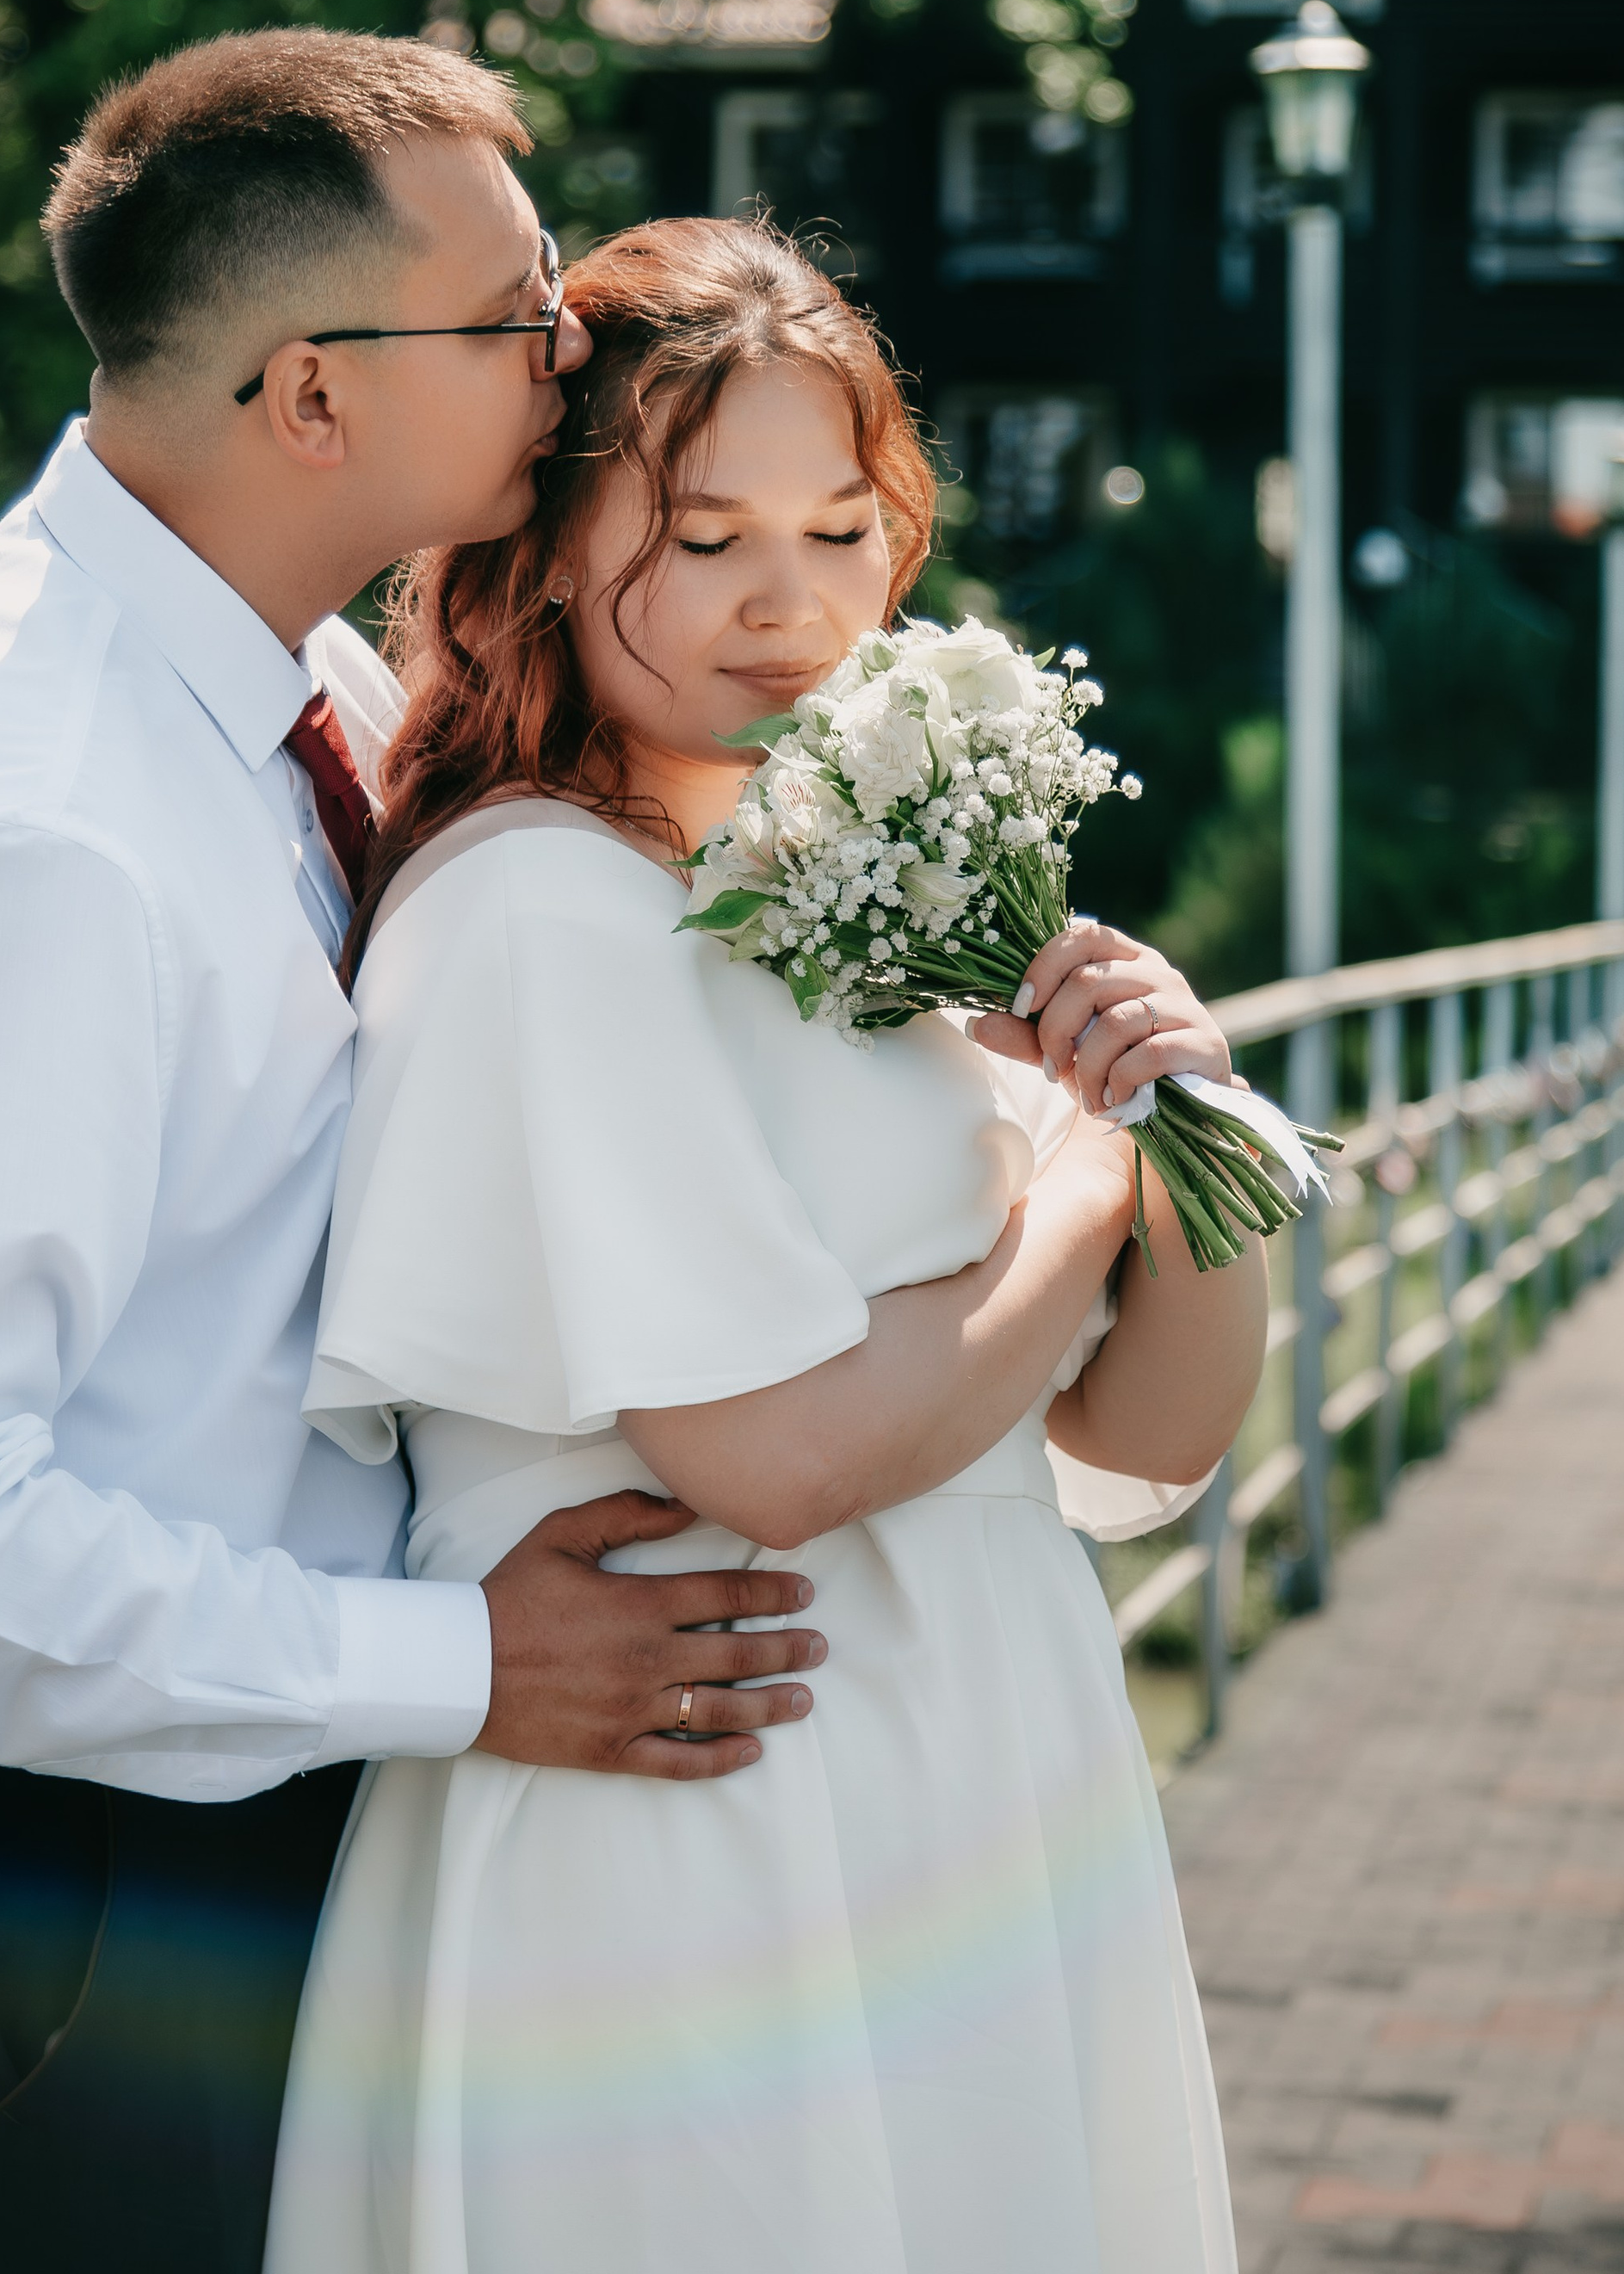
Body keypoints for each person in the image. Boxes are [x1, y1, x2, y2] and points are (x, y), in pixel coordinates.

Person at [0, 34, 834, 2274]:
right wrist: (466, 1667)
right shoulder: (22, 831)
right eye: (518, 316)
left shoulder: (298, 684)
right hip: (25, 1872)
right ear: (313, 393)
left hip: (218, 1796)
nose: (568, 348)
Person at [265, 217, 1267, 2274]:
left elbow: (1153, 1430)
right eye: (702, 536)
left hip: (970, 1791)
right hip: (710, 1831)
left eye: (837, 528)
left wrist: (1178, 1123)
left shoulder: (845, 894)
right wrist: (1083, 1177)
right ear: (541, 544)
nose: (787, 607)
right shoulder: (537, 909)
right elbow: (777, 1453)